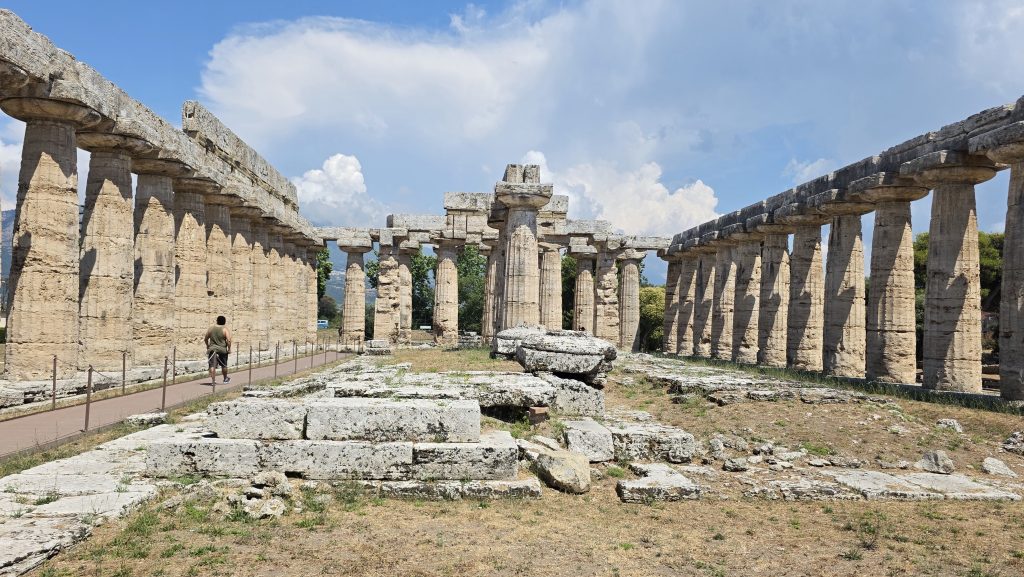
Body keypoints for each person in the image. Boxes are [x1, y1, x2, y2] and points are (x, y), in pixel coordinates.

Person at [204, 315, 232, 385]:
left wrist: (207, 346)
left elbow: (206, 339)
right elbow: (228, 340)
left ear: (217, 321)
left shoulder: (211, 329)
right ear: (224, 322)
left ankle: (213, 380)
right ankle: (225, 379)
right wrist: (229, 349)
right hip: (222, 349)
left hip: (212, 349)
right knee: (224, 365)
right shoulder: (225, 329)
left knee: (212, 365)